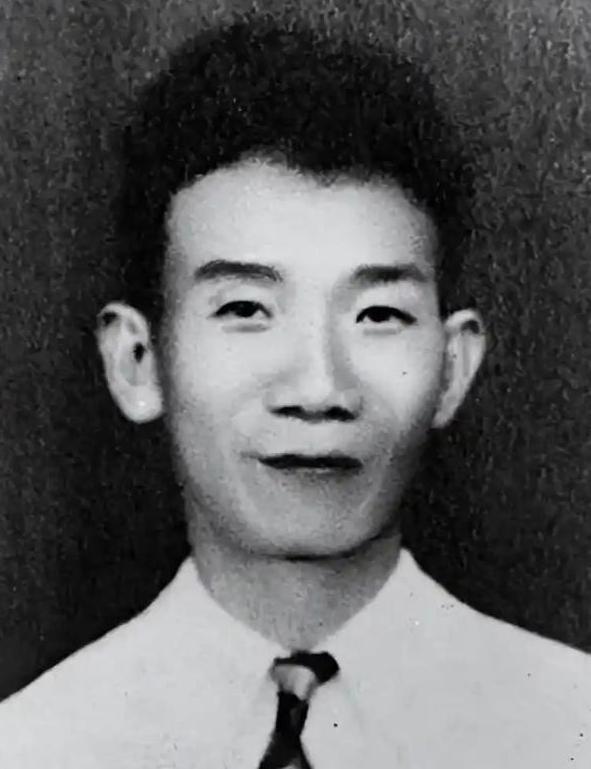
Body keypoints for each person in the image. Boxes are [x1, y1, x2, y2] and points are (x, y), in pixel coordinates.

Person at [1, 14, 589, 768]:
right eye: (246, 309)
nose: (319, 388)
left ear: (452, 367)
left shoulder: (567, 729)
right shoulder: (36, 744)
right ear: (137, 361)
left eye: (378, 315)